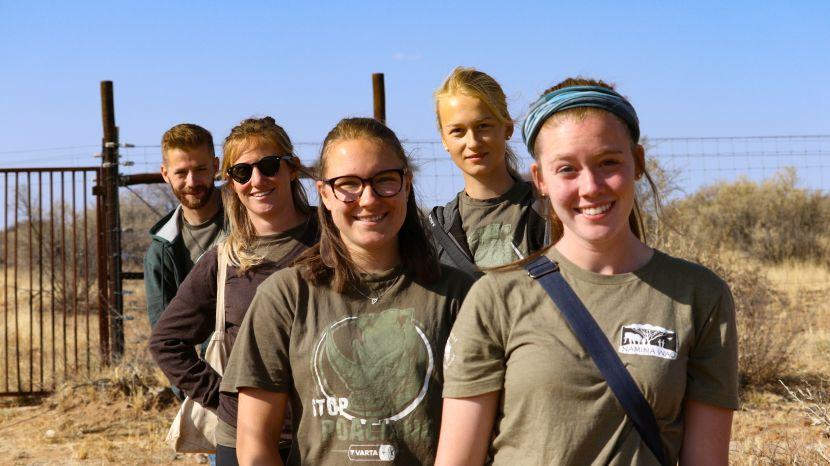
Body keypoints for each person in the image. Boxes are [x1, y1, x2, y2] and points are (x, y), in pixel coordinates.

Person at [435, 79, 739, 465]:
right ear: (541, 179)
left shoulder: (699, 295)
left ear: (638, 162)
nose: (590, 187)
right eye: (567, 169)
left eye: (608, 163)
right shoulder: (496, 298)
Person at [220, 117, 475, 465]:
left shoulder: (459, 296)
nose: (368, 200)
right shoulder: (286, 296)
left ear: (407, 184)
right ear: (324, 194)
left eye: (384, 180)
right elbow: (254, 445)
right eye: (348, 185)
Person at [150, 117, 318, 465]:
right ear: (231, 181)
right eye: (242, 172)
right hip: (242, 439)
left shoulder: (332, 238)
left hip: (327, 432)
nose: (257, 180)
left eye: (269, 166)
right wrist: (227, 400)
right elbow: (166, 341)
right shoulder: (226, 257)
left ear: (292, 168)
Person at [430, 67, 547, 276]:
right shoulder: (437, 230)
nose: (473, 142)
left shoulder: (547, 210)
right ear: (444, 140)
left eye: (483, 126)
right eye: (458, 131)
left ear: (507, 128)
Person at [145, 123, 225, 330]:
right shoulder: (161, 251)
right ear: (165, 174)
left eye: (200, 169)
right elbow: (165, 333)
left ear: (216, 167)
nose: (192, 182)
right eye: (181, 173)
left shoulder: (249, 219)